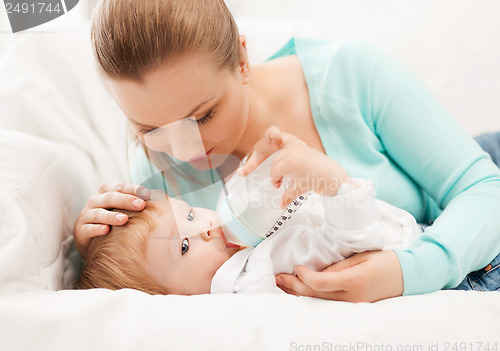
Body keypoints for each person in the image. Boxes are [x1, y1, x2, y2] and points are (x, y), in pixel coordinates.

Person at [74, 0, 500, 302]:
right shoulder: (154, 172)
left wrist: (410, 271)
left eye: (202, 117)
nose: (185, 152)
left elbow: (483, 188)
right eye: (150, 129)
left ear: (241, 60)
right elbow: (156, 269)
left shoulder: (350, 77)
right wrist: (95, 247)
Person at [78, 127, 423, 295]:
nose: (206, 228)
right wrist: (334, 184)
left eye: (189, 215)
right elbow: (349, 242)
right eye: (184, 246)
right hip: (444, 266)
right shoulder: (255, 273)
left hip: (425, 234)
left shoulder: (240, 236)